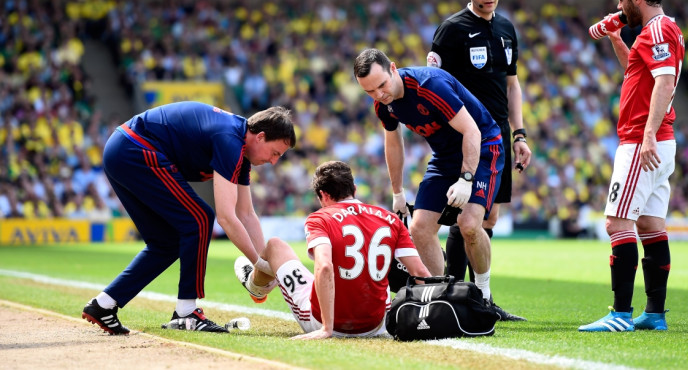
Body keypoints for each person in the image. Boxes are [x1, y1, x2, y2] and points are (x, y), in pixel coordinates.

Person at [82, 101, 296, 334]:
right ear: (260, 137)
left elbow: (246, 214)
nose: (274, 161)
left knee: (167, 243)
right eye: (275, 153)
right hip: (134, 148)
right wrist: (260, 266)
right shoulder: (230, 139)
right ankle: (186, 313)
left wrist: (262, 262)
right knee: (201, 218)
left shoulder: (240, 149)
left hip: (123, 150)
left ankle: (103, 305)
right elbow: (226, 217)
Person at [353, 48, 504, 305]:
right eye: (369, 92)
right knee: (419, 228)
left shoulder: (430, 85)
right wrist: (398, 192)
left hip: (483, 147)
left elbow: (472, 131)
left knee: (468, 225)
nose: (379, 95)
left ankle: (483, 297)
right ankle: (442, 299)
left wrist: (466, 179)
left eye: (381, 85)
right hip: (444, 158)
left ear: (393, 68)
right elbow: (393, 142)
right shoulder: (384, 106)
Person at [579, 0, 683, 332]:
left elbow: (665, 81)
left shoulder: (656, 30)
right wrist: (616, 37)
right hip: (657, 141)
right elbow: (637, 73)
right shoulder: (658, 31)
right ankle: (654, 314)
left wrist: (649, 133)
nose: (619, 7)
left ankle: (620, 313)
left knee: (616, 222)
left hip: (642, 140)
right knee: (650, 225)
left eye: (622, 0)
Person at [426, 0, 531, 322]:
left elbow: (511, 84)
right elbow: (433, 83)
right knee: (464, 217)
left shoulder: (505, 28)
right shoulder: (452, 30)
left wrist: (518, 133)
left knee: (488, 219)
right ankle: (454, 292)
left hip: (500, 134)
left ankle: (476, 298)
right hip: (467, 135)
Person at [235, 160, 431, 339]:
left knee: (274, 246)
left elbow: (325, 267)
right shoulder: (389, 218)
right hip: (377, 324)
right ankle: (266, 280)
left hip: (328, 321)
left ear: (323, 195)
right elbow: (420, 272)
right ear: (354, 189)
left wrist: (326, 329)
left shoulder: (320, 218)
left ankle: (256, 286)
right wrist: (430, 319)